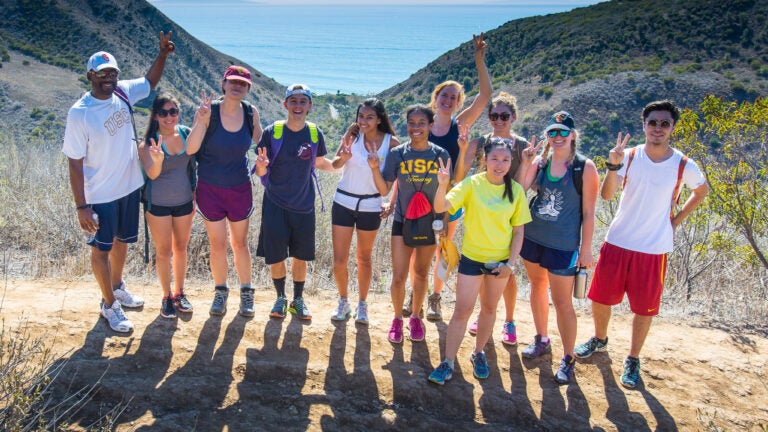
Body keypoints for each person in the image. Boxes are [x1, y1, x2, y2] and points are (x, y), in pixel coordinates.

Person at [574, 100, 708, 389]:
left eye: (664, 123)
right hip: (619, 240)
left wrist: (675, 221)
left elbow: (701, 190)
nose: (657, 128)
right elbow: (608, 195)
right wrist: (613, 165)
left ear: (672, 128)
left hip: (653, 248)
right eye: (652, 123)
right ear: (643, 124)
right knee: (600, 298)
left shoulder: (683, 164)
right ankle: (599, 339)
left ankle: (633, 358)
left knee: (644, 308)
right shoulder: (631, 157)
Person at [62, 32, 175, 332]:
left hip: (128, 187)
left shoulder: (123, 93)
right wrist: (82, 207)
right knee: (101, 249)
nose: (109, 78)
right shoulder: (80, 114)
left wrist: (162, 54)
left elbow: (149, 82)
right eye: (102, 74)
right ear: (90, 76)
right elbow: (74, 163)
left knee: (121, 242)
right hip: (100, 194)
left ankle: (116, 288)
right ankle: (108, 305)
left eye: (112, 73)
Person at [403, 33, 492, 322]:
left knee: (444, 249)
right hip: (420, 198)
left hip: (449, 199)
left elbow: (485, 97)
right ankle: (414, 294)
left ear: (457, 103)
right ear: (436, 98)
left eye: (454, 98)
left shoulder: (461, 123)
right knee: (418, 249)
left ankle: (435, 298)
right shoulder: (424, 124)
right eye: (445, 96)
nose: (449, 100)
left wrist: (479, 61)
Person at [427, 138, 531, 385]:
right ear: (485, 159)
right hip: (472, 259)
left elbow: (518, 232)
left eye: (505, 160)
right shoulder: (472, 184)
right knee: (462, 310)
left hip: (500, 263)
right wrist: (442, 185)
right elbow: (441, 205)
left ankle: (478, 353)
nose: (500, 164)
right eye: (495, 158)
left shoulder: (515, 190)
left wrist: (511, 265)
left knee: (489, 309)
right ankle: (448, 362)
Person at [518, 111, 599, 385]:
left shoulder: (584, 168)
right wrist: (529, 162)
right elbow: (521, 191)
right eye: (552, 132)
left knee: (563, 302)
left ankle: (568, 358)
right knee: (537, 286)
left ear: (573, 135)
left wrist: (586, 249)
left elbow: (589, 213)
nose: (557, 137)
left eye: (563, 132)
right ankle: (542, 339)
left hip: (563, 245)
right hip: (533, 237)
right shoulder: (542, 164)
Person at [460, 92, 539, 346]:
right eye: (494, 115)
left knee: (508, 272)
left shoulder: (522, 146)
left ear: (513, 117)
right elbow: (462, 173)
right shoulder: (479, 142)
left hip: (510, 213)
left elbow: (523, 185)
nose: (499, 120)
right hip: (483, 212)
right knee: (485, 267)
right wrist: (463, 150)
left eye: (504, 116)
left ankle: (509, 320)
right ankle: (486, 315)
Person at [254, 84, 336, 321]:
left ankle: (297, 300)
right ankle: (280, 298)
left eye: (303, 101)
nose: (298, 106)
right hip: (275, 203)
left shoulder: (314, 133)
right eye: (293, 101)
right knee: (276, 255)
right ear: (285, 104)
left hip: (304, 205)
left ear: (310, 106)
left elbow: (320, 163)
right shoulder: (273, 132)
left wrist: (343, 165)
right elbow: (262, 169)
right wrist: (260, 165)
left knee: (301, 256)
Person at [186, 65, 263, 317]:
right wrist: (202, 122)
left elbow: (262, 144)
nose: (237, 86)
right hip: (210, 189)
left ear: (248, 88)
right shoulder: (210, 112)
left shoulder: (251, 113)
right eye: (233, 82)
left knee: (240, 243)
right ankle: (220, 292)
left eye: (243, 83)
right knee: (217, 244)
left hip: (239, 188)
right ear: (224, 84)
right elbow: (190, 149)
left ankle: (247, 293)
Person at [370, 104, 450, 344]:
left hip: (430, 222)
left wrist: (443, 222)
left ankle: (416, 317)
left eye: (421, 123)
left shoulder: (441, 155)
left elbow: (446, 195)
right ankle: (397, 319)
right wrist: (375, 169)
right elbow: (384, 188)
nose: (416, 128)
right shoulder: (398, 154)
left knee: (422, 273)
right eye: (412, 123)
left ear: (431, 125)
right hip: (402, 221)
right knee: (399, 276)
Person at [330, 99, 400, 325]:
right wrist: (344, 156)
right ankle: (343, 301)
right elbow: (335, 165)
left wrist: (374, 167)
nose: (364, 121)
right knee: (340, 259)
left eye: (369, 117)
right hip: (343, 202)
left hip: (371, 205)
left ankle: (362, 305)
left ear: (380, 119)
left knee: (364, 258)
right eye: (361, 116)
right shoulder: (351, 135)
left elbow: (385, 188)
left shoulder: (391, 144)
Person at [138, 93, 196, 319]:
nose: (169, 117)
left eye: (173, 111)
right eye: (163, 113)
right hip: (158, 204)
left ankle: (180, 293)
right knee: (163, 251)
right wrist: (158, 160)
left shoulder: (186, 134)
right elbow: (152, 174)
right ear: (155, 116)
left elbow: (194, 164)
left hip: (184, 202)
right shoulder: (147, 145)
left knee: (181, 248)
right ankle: (166, 296)